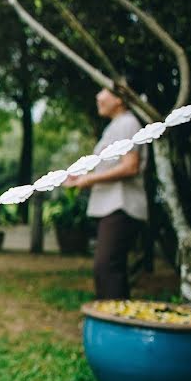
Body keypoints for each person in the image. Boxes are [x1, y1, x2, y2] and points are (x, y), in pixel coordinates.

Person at [64, 88, 147, 299]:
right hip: (113, 207)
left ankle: (116, 325)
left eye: (104, 91)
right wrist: (79, 177)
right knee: (106, 269)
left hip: (122, 206)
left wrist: (88, 179)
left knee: (107, 268)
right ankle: (112, 321)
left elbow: (130, 167)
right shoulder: (117, 125)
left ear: (120, 98)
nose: (98, 96)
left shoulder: (128, 123)